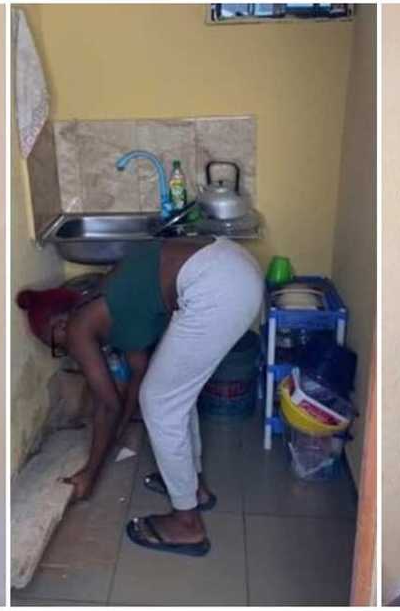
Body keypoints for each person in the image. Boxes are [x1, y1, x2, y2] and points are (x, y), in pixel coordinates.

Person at [17, 236, 262, 556]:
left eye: (55, 343)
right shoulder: (108, 304)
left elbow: (108, 405)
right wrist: (119, 431)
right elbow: (140, 373)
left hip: (217, 285)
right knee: (169, 395)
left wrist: (91, 473)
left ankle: (187, 524)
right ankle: (193, 488)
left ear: (61, 323)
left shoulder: (79, 325)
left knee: (162, 403)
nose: (65, 351)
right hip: (233, 269)